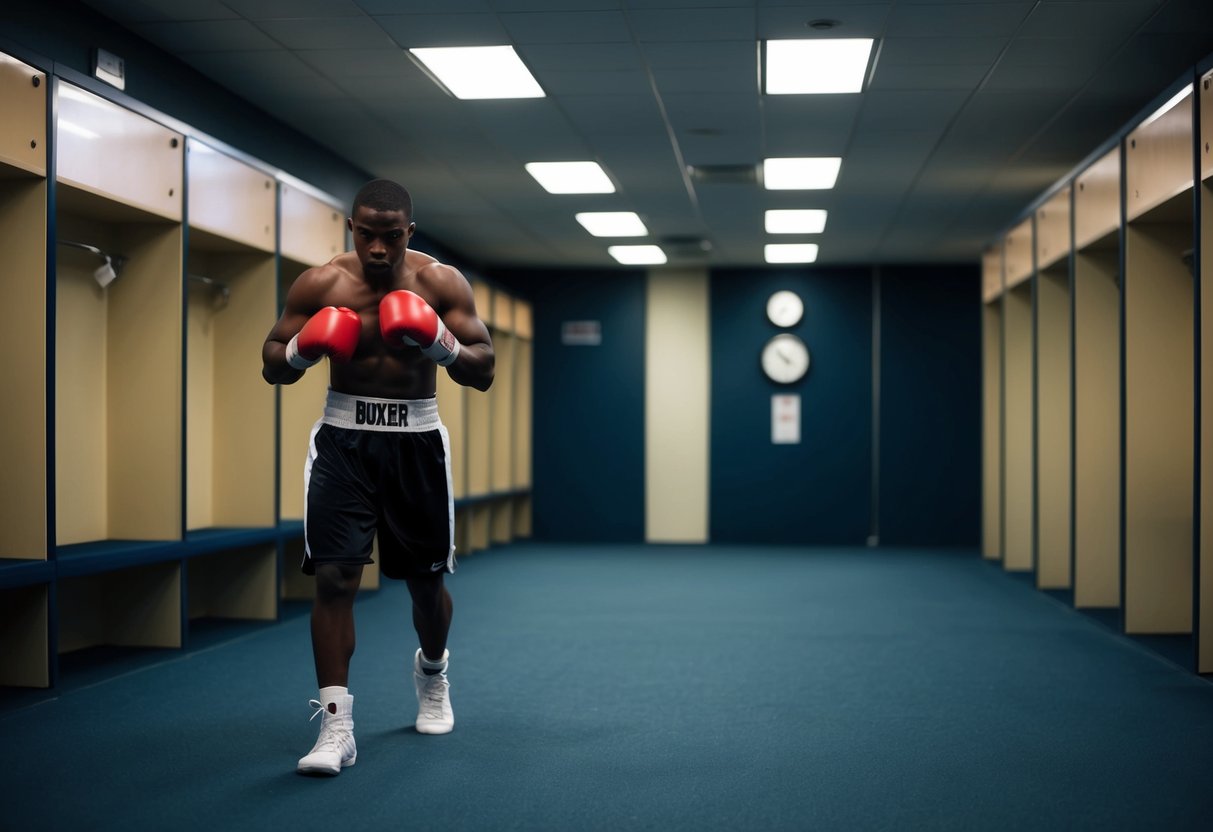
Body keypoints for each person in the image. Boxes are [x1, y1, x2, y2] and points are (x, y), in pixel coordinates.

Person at [261, 179, 494, 776]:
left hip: (416, 441)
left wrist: (438, 343)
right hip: (344, 440)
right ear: (352, 228)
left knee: (424, 582)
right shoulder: (320, 283)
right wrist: (303, 352)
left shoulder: (441, 283)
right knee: (336, 577)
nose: (380, 249)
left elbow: (483, 368)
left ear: (408, 232)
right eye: (368, 235)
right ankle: (336, 726)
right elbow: (271, 361)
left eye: (392, 236)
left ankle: (433, 672)